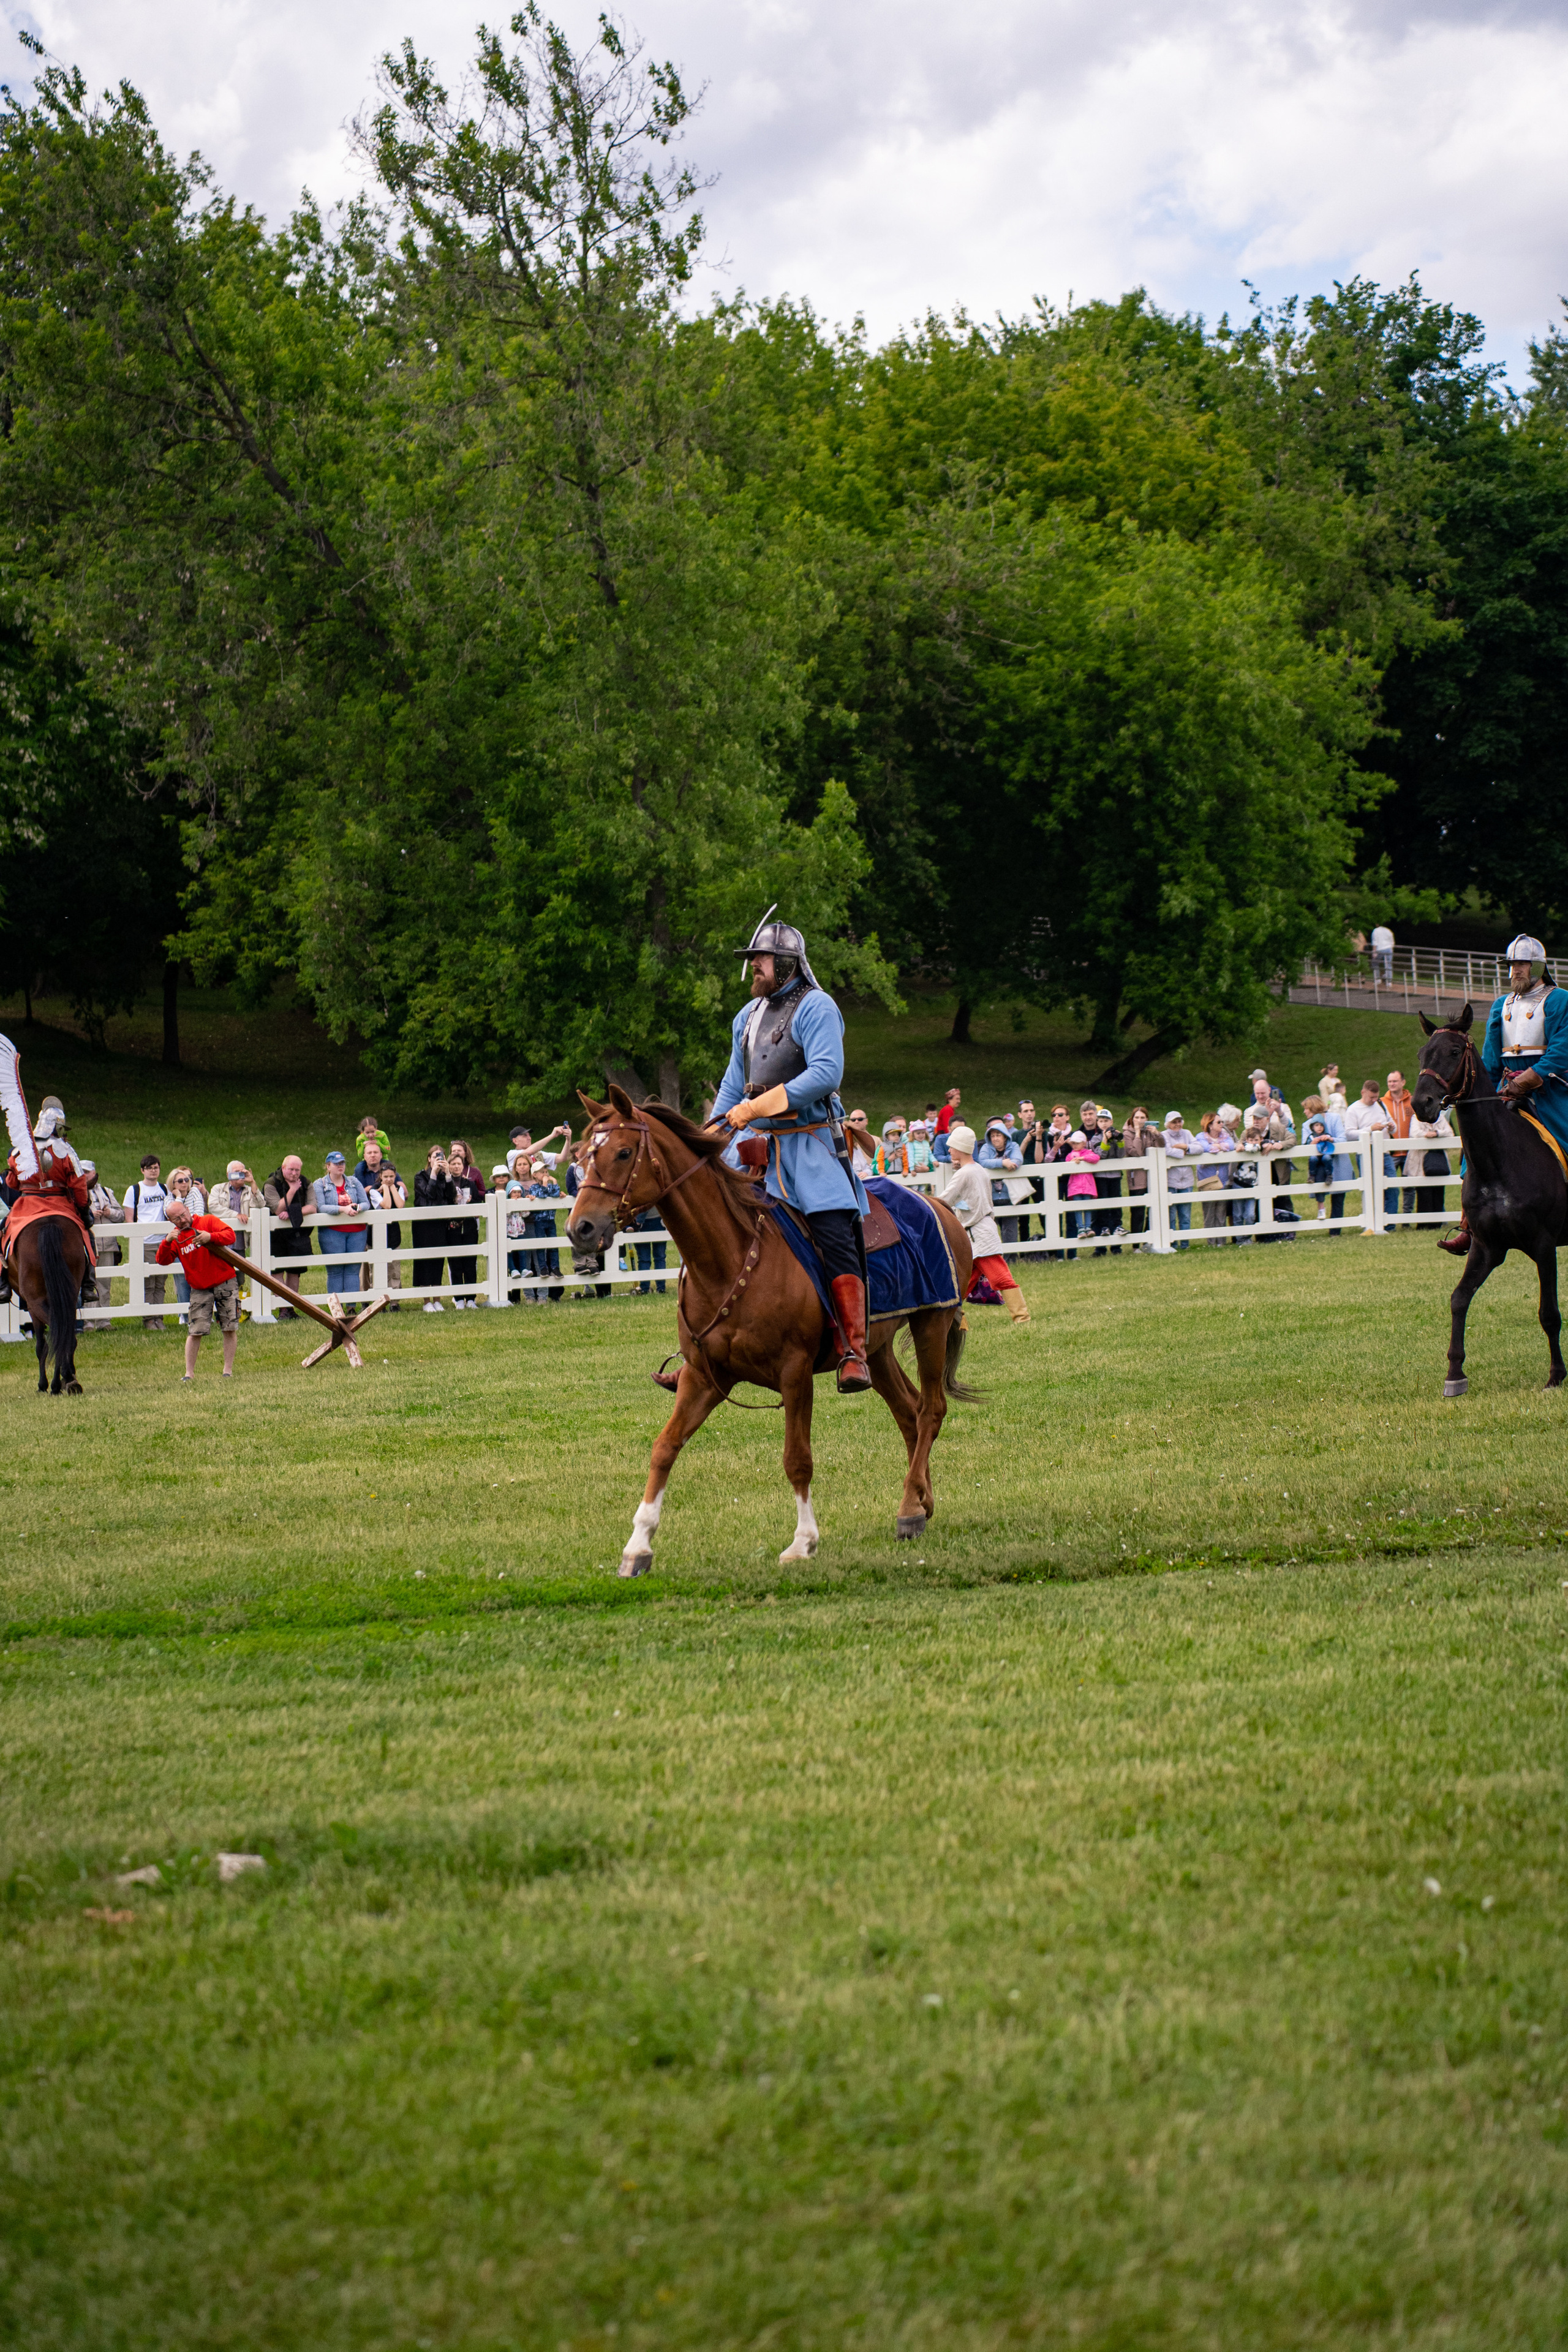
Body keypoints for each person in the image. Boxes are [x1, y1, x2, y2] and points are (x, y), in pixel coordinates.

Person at [713, 911, 873, 1389]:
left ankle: (854, 1350)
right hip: (753, 1151)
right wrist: (711, 1140)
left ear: (786, 963)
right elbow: (732, 1086)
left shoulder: (817, 1007)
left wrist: (756, 1107)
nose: (754, 965)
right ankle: (706, 1352)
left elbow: (826, 1073)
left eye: (762, 958)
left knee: (834, 1234)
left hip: (810, 1147)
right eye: (754, 959)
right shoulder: (747, 1016)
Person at [1440, 932, 1568, 1257]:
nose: (1515, 971)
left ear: (1538, 966)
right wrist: (1486, 1092)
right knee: (1476, 1148)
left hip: (1551, 1090)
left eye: (1522, 964)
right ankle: (1470, 1224)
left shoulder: (1559, 1000)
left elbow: (1561, 1051)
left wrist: (1527, 1080)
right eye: (1512, 965)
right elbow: (1491, 1060)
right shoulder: (1501, 1006)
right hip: (1506, 1092)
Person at [944, 1124, 1028, 1324]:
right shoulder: (978, 1170)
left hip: (980, 1234)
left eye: (952, 1146)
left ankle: (1022, 1318)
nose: (949, 1150)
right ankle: (952, 1323)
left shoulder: (965, 1173)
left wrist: (922, 1203)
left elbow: (944, 1200)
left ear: (961, 1148)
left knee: (1000, 1277)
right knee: (963, 1284)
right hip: (977, 1233)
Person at [156, 1196, 239, 1381]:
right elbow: (162, 1260)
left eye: (183, 1215)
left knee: (229, 1327)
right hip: (200, 1288)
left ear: (188, 1210)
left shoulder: (208, 1221)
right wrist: (167, 1242)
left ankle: (228, 1371)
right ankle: (189, 1374)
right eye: (177, 1219)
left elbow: (231, 1235)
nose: (182, 1220)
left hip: (225, 1281)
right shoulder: (176, 1238)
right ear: (170, 1221)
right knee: (195, 1330)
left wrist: (211, 1237)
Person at [312, 1151, 371, 1297]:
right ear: (328, 1166)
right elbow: (321, 1207)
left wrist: (358, 1208)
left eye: (342, 1163)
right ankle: (337, 1306)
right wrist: (343, 1209)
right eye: (336, 1164)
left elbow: (366, 1203)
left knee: (353, 1270)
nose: (340, 1166)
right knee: (335, 1271)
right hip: (332, 1232)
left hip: (357, 1231)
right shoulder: (320, 1184)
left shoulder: (353, 1182)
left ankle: (351, 1305)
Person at [356, 1139, 407, 1307]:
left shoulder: (397, 1187)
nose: (389, 1179)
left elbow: (400, 1205)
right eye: (386, 1177)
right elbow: (387, 1205)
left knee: (394, 1267)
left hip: (393, 1231)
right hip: (374, 1231)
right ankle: (379, 1301)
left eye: (392, 1177)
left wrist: (390, 1187)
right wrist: (385, 1188)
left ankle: (394, 1302)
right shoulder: (373, 1189)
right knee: (376, 1268)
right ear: (381, 1177)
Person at [123, 1153, 170, 1329]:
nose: (153, 1171)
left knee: (160, 1282)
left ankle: (159, 1318)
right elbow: (129, 1219)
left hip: (163, 1242)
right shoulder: (134, 1190)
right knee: (148, 1283)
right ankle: (149, 1319)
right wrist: (137, 1240)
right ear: (143, 1170)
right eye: (149, 1168)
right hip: (145, 1243)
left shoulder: (165, 1189)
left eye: (156, 1168)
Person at [263, 1156, 315, 1315]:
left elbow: (313, 1207)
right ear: (283, 1168)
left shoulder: (306, 1183)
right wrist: (292, 1190)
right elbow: (277, 1209)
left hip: (297, 1233)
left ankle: (290, 1308)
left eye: (297, 1170)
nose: (294, 1173)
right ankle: (283, 1309)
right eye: (291, 1169)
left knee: (295, 1271)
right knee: (277, 1271)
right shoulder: (271, 1184)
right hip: (275, 1234)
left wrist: (293, 1212)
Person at [1342, 1080, 1393, 1236]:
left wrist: (1392, 1127)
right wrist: (1370, 1129)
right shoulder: (1353, 1109)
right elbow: (1349, 1134)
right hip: (1367, 1152)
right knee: (1370, 1188)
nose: (1374, 1100)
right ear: (1363, 1092)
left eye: (1376, 1097)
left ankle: (1390, 1224)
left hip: (1384, 1152)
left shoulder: (1381, 1105)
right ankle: (1371, 1222)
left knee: (1391, 1185)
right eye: (1371, 1097)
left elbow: (1392, 1123)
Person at [79, 1161, 124, 1329]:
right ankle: (88, 1321)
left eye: (87, 1172)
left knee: (105, 1284)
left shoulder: (106, 1192)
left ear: (94, 1173)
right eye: (81, 1172)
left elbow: (121, 1216)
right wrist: (90, 1214)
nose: (84, 1175)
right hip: (88, 1246)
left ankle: (104, 1321)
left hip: (108, 1245)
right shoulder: (76, 1192)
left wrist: (109, 1212)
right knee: (88, 1284)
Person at [413, 1145, 456, 1309]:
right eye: (435, 1157)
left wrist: (448, 1175)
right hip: (424, 1225)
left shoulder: (445, 1177)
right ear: (429, 1159)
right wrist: (433, 1174)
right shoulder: (420, 1177)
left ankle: (437, 1300)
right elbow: (429, 1194)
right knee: (425, 1262)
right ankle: (427, 1302)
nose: (438, 1160)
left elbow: (452, 1196)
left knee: (438, 1260)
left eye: (441, 1157)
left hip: (440, 1223)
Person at [446, 1140, 487, 1306]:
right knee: (455, 1263)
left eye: (459, 1164)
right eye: (453, 1164)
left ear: (463, 1165)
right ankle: (458, 1299)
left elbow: (478, 1200)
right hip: (452, 1229)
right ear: (449, 1166)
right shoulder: (446, 1184)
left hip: (469, 1227)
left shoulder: (469, 1183)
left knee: (470, 1262)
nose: (456, 1166)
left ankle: (471, 1299)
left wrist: (471, 1200)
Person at [976, 1115, 1024, 1253]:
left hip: (1010, 1194)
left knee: (1010, 1229)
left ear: (1005, 1136)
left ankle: (1011, 1258)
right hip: (990, 1196)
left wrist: (1011, 1163)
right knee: (990, 1230)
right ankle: (994, 1257)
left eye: (998, 1135)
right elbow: (983, 1161)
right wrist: (1003, 1163)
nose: (995, 1138)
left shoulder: (1014, 1146)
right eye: (992, 1136)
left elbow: (1018, 1160)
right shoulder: (986, 1148)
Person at [1381, 1069, 1416, 1228]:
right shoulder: (1382, 1103)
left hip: (1409, 1150)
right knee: (1388, 1186)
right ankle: (1388, 1218)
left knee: (1409, 1186)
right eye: (1390, 1081)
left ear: (1403, 1082)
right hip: (1391, 1151)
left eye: (1395, 1081)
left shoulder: (1412, 1101)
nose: (1392, 1084)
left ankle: (1406, 1219)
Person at [1408, 1104, 1457, 1221]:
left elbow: (1450, 1133)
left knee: (1438, 1191)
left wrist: (1437, 1133)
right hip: (1421, 1160)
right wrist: (1426, 1134)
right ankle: (1424, 1223)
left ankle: (1438, 1222)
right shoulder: (1416, 1118)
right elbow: (1415, 1133)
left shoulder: (1440, 1118)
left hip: (1438, 1159)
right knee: (1424, 1192)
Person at [1122, 1107, 1156, 1246]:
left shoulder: (1150, 1132)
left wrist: (1157, 1134)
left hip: (1152, 1177)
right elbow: (1136, 1152)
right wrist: (1137, 1134)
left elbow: (1161, 1147)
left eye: (1143, 1118)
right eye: (1137, 1118)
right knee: (1138, 1212)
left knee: (1153, 1210)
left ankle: (1148, 1242)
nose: (1140, 1120)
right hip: (1136, 1178)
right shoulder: (1127, 1134)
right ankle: (1136, 1245)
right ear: (1132, 1119)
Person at [1062, 1130, 1100, 1250]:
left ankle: (1088, 1227)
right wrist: (1073, 1161)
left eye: (1078, 1143)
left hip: (1087, 1185)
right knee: (1078, 1208)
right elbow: (1067, 1163)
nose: (1075, 1145)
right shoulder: (1071, 1155)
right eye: (1073, 1143)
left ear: (1084, 1143)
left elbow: (1096, 1158)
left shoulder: (1088, 1153)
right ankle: (1081, 1228)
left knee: (1087, 1207)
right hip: (1075, 1186)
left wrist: (1082, 1158)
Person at [1162, 1111, 1195, 1245]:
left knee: (1185, 1216)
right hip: (1171, 1180)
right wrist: (1183, 1153)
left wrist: (1184, 1147)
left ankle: (1185, 1244)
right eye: (1174, 1122)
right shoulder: (1164, 1135)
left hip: (1187, 1180)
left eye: (1179, 1121)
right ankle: (1173, 1243)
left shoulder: (1187, 1133)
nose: (1177, 1124)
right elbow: (1166, 1150)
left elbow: (1199, 1148)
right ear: (1168, 1124)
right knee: (1171, 1216)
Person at [932, 1087, 962, 1166]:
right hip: (943, 1140)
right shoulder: (948, 1110)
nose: (959, 1101)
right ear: (950, 1099)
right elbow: (947, 1128)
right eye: (957, 1099)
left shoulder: (949, 1109)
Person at [1371, 921, 1395, 985]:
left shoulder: (1376, 931)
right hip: (1389, 949)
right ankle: (1389, 982)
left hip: (1380, 949)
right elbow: (1392, 941)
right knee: (1388, 965)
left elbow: (1375, 942)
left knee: (1375, 963)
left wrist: (1374, 952)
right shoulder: (1388, 931)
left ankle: (1377, 979)